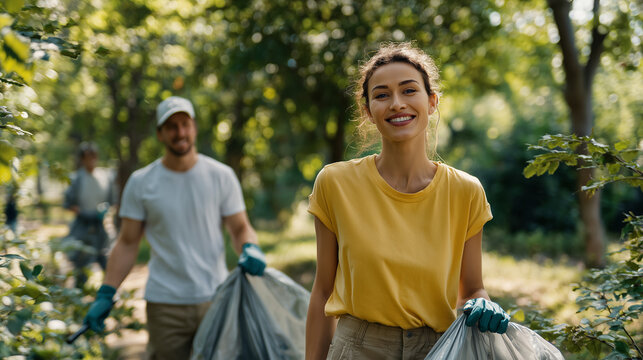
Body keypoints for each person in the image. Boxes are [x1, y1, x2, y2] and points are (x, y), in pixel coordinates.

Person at [305, 43, 511, 360]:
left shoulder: (466, 191)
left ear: (431, 102)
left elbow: (471, 289)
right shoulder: (335, 183)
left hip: (439, 349)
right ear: (368, 111)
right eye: (382, 95)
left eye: (409, 90)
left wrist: (483, 301)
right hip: (359, 348)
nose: (397, 104)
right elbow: (322, 291)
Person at [82, 96, 267, 360]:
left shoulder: (221, 176)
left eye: (185, 124)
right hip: (164, 304)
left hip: (215, 298)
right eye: (171, 126)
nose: (180, 132)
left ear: (194, 127)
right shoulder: (142, 182)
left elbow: (239, 228)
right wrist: (106, 292)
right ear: (160, 134)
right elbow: (127, 242)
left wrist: (251, 247)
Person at [64, 142, 118, 288]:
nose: (91, 160)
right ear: (82, 159)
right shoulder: (76, 179)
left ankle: (110, 292)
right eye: (87, 157)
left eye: (93, 156)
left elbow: (113, 201)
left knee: (106, 259)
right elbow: (69, 204)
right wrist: (82, 213)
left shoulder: (106, 176)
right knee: (81, 261)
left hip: (101, 225)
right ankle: (78, 295)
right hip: (83, 225)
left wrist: (106, 212)